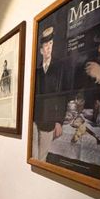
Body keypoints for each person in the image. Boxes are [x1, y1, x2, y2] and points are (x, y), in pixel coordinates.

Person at [32, 26, 66, 161]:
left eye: (51, 44)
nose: (49, 48)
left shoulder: (59, 67)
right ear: (41, 50)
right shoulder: (37, 70)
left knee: (42, 158)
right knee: (33, 156)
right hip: (35, 119)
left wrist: (59, 121)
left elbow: (62, 96)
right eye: (46, 45)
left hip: (49, 120)